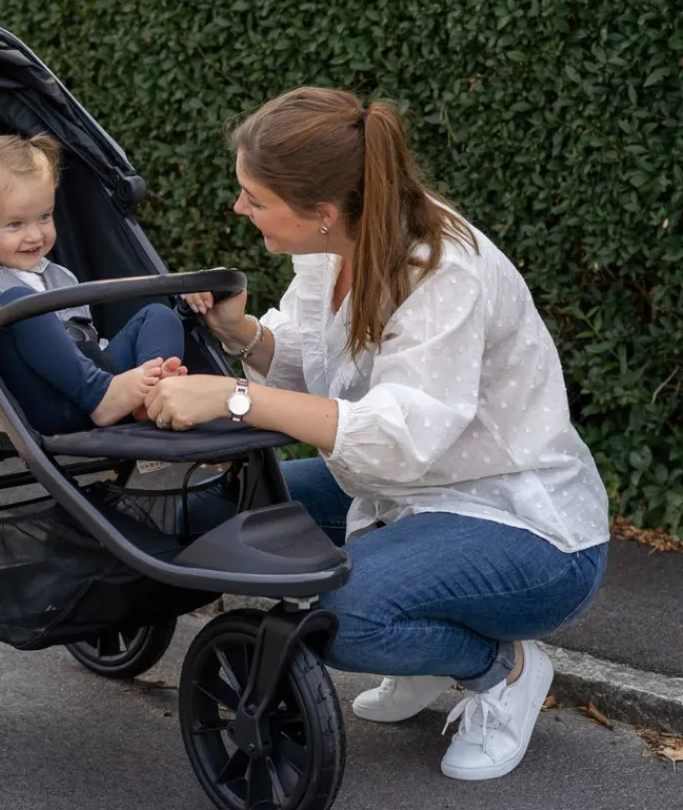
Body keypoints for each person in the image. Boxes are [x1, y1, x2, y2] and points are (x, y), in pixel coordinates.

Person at [149, 87, 610, 781]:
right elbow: (314, 362)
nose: (239, 208)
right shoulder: (335, 250)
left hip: (527, 530)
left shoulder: (443, 273)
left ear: (323, 212)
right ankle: (423, 652)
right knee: (227, 505)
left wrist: (235, 399)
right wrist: (240, 332)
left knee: (346, 617)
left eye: (254, 197)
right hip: (408, 491)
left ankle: (503, 670)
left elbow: (398, 437)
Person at [0, 133, 186, 435]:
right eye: (16, 224)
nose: (35, 235)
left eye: (44, 216)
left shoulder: (59, 276)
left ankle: (155, 398)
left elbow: (88, 342)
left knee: (159, 316)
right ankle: (101, 395)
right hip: (44, 403)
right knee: (19, 303)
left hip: (103, 388)